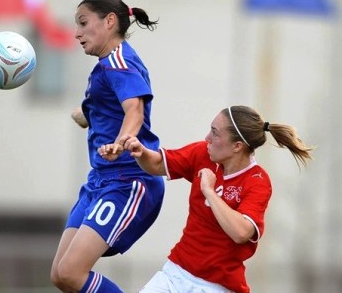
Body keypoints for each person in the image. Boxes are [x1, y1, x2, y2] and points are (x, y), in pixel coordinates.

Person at [100, 105, 314, 293]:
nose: (207, 138)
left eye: (215, 133)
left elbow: (241, 233)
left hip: (217, 286)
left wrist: (210, 192)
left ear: (237, 146)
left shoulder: (257, 181)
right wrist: (141, 152)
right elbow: (157, 164)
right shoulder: (203, 153)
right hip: (175, 273)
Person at [50, 0, 164, 292]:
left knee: (73, 272)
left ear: (109, 21)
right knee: (61, 275)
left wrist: (121, 141)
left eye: (83, 23)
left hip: (128, 181)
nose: (77, 33)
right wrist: (86, 115)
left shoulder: (118, 62)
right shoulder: (106, 65)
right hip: (99, 181)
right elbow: (112, 108)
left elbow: (134, 110)